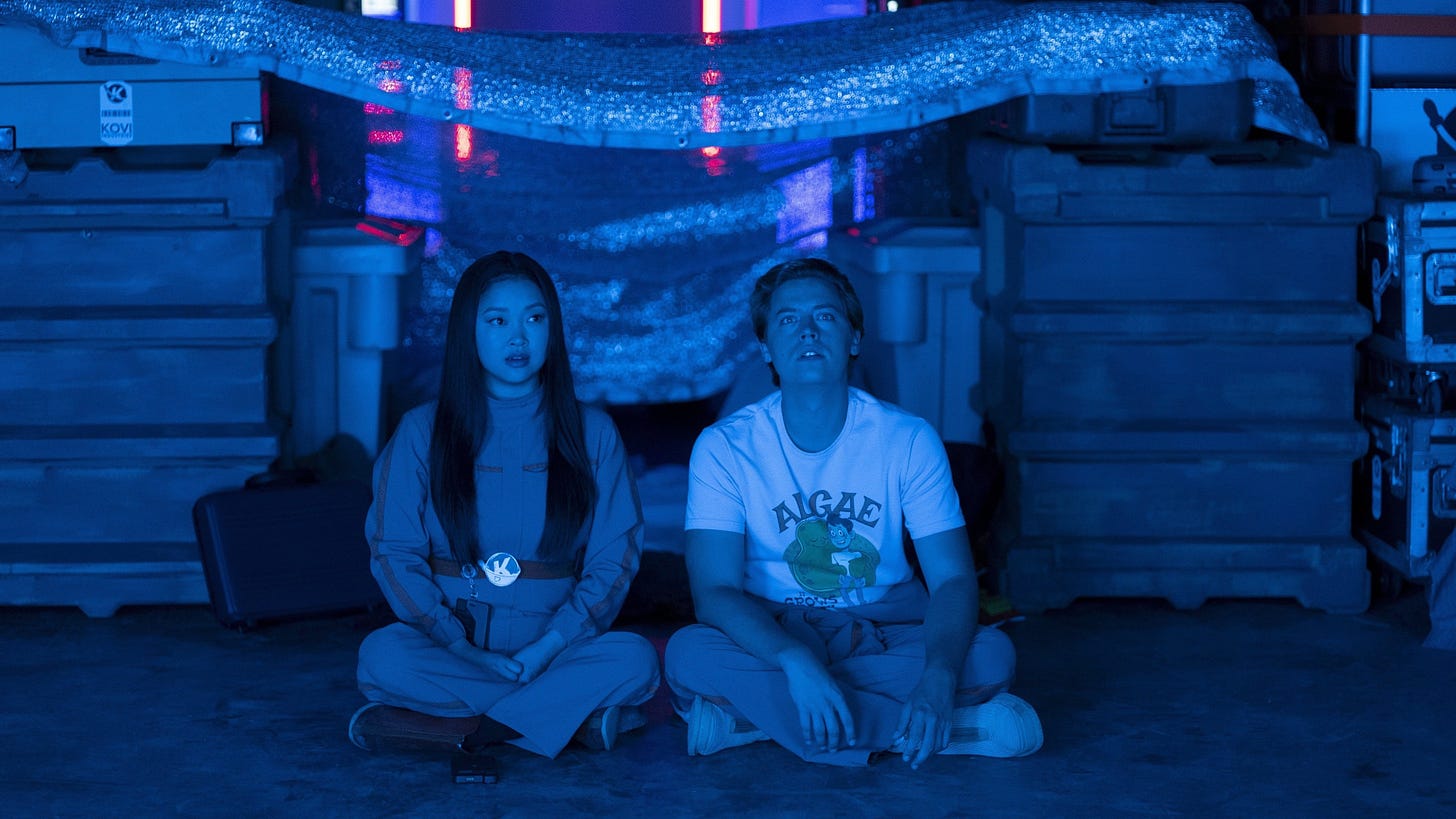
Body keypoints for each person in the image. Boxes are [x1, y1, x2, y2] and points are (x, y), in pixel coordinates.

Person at [665, 257, 1042, 768]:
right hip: (776, 628)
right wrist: (794, 659)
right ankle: (952, 730)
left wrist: (938, 674)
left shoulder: (907, 439)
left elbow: (952, 578)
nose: (807, 332)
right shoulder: (725, 447)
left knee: (990, 655)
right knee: (689, 653)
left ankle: (754, 722)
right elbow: (714, 594)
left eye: (825, 316)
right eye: (787, 319)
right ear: (765, 347)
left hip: (886, 626)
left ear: (855, 338)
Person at [348, 251, 659, 759]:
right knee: (382, 656)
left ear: (552, 331)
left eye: (535, 319)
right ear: (469, 331)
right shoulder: (422, 431)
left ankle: (462, 729)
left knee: (636, 659)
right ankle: (566, 719)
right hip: (455, 646)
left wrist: (549, 646)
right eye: (497, 320)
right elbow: (392, 550)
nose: (519, 337)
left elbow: (613, 559)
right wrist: (458, 646)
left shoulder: (593, 432)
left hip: (555, 648)